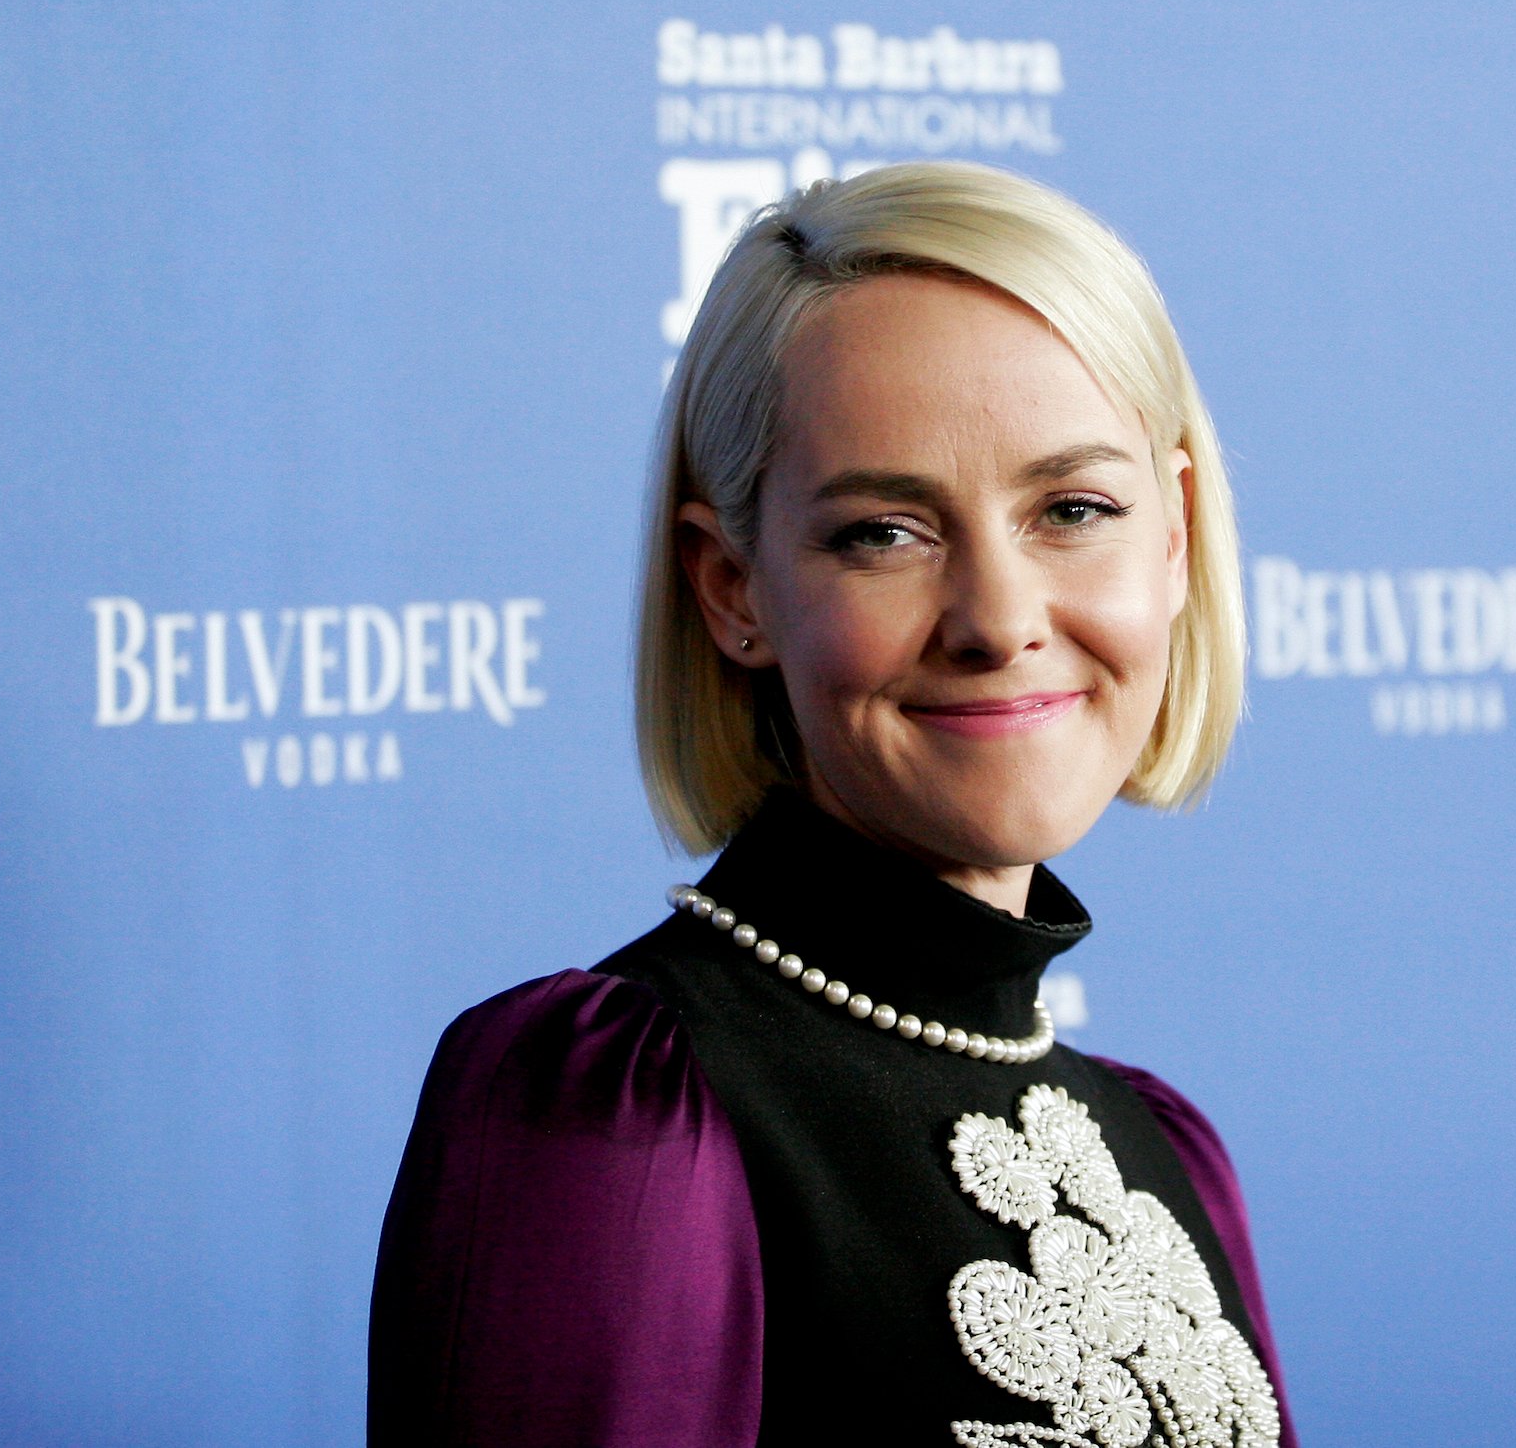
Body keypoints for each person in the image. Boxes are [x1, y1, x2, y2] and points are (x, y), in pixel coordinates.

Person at [368, 161, 1297, 1448]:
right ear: (731, 590)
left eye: (1073, 509)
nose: (1000, 621)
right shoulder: (610, 1113)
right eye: (883, 533)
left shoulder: (1161, 1148)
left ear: (1175, 539)